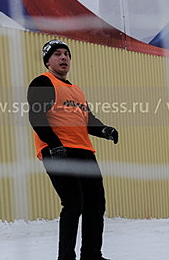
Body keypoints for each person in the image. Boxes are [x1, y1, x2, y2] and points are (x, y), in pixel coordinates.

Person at [27, 40, 119, 260]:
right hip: (58, 151)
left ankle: (91, 255)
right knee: (73, 202)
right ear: (47, 61)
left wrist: (104, 129)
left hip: (84, 152)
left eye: (67, 54)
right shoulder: (43, 82)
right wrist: (53, 144)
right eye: (57, 54)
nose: (64, 57)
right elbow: (36, 116)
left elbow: (87, 119)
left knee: (96, 203)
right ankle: (66, 257)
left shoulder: (75, 90)